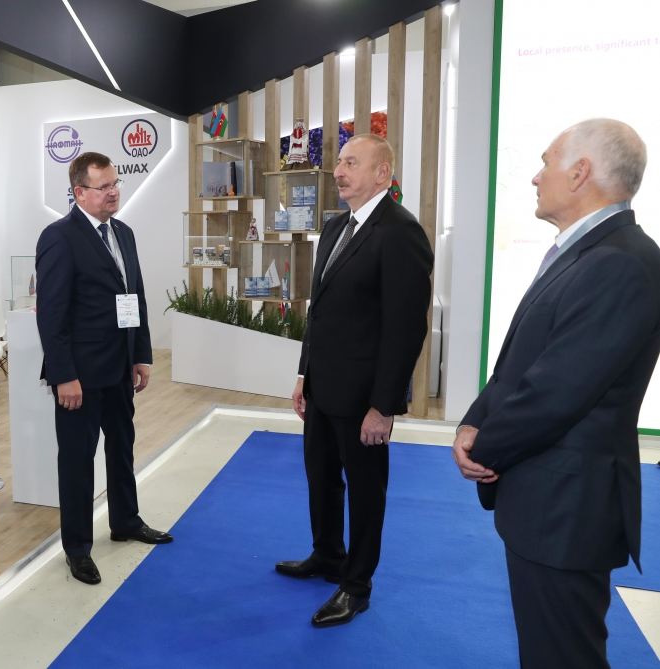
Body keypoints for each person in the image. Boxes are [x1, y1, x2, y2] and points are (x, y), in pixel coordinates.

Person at [453, 119, 657, 669]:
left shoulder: (620, 262)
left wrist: (482, 447)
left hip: (566, 509)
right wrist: (473, 420)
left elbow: (556, 392)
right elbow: (520, 362)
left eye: (546, 162)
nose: (536, 177)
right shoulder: (589, 252)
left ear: (580, 172)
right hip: (550, 502)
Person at [278, 134, 434, 627]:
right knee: (321, 478)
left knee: (366, 493)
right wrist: (303, 374)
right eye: (339, 162)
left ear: (383, 173)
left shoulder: (401, 232)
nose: (339, 171)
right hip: (322, 387)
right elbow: (318, 311)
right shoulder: (334, 227)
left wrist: (383, 406)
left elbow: (405, 330)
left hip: (364, 398)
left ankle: (356, 585)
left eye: (351, 163)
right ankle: (327, 555)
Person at [35, 151, 171, 586]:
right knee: (78, 462)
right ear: (79, 193)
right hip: (79, 376)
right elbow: (51, 315)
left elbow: (135, 297)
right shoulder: (59, 237)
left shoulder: (123, 233)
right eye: (104, 186)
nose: (114, 192)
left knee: (122, 448)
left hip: (119, 369)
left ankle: (125, 521)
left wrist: (140, 354)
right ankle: (77, 548)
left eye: (116, 184)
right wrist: (63, 375)